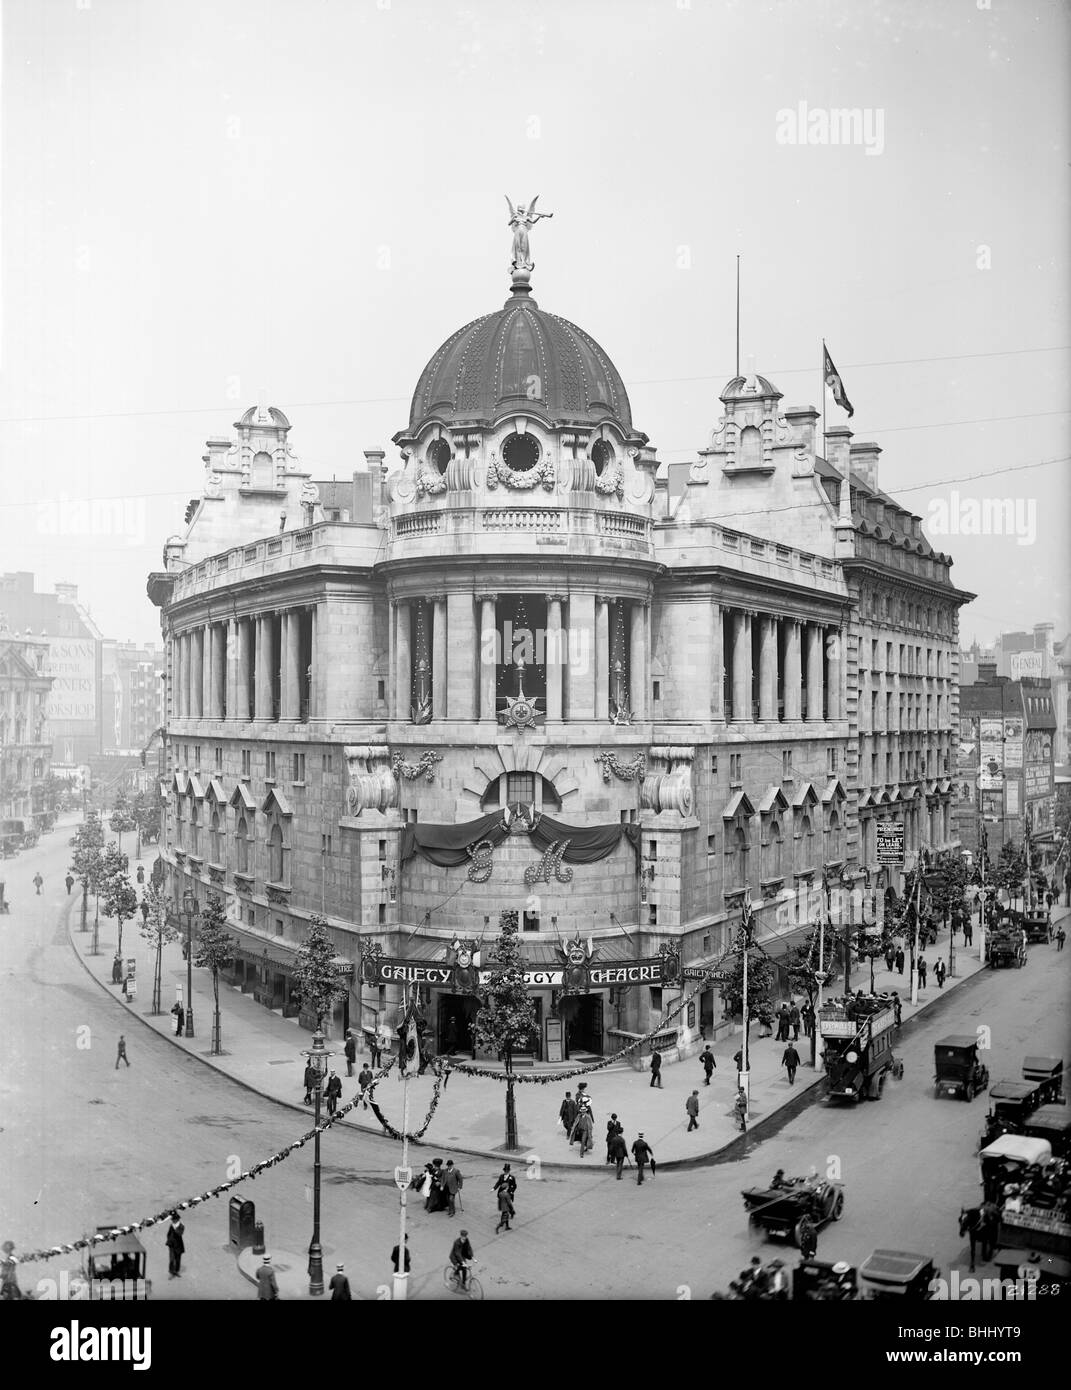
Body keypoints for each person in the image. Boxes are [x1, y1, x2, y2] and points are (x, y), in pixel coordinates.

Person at [166, 1212, 185, 1278]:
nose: (173, 1221)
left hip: (178, 1245)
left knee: (178, 1259)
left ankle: (176, 1271)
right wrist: (169, 1240)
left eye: (174, 1219)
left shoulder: (181, 1226)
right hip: (171, 1245)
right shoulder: (171, 1226)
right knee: (171, 1259)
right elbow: (168, 1234)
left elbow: (180, 1233)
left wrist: (175, 1228)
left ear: (177, 1219)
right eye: (172, 1219)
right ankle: (171, 1272)